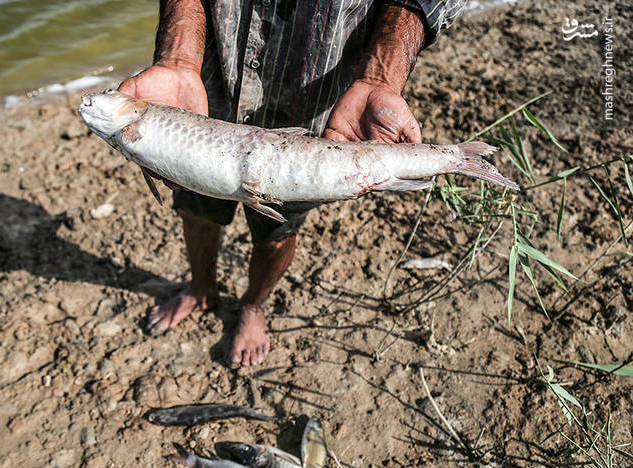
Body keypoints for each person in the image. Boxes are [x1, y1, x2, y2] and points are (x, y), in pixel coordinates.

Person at [118, 0, 464, 366]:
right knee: (194, 206)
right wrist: (178, 58)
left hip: (315, 113)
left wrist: (381, 77)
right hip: (204, 94)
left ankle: (253, 304)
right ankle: (201, 288)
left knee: (277, 231)